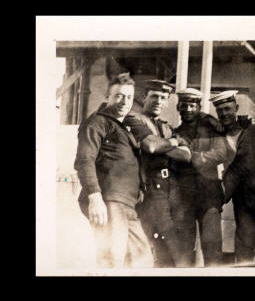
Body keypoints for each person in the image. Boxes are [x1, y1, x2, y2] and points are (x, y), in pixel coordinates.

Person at [74, 73, 153, 268]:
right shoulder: (97, 123)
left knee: (141, 260)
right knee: (111, 258)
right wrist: (95, 196)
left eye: (129, 97)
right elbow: (84, 160)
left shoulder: (124, 126)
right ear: (107, 97)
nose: (125, 102)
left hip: (127, 203)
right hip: (109, 200)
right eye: (118, 96)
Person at [123, 79, 192, 267]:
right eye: (154, 96)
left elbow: (186, 155)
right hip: (151, 187)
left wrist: (165, 145)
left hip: (171, 187)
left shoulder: (166, 127)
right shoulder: (134, 119)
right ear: (144, 97)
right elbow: (151, 146)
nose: (158, 101)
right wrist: (172, 143)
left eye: (163, 98)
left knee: (171, 241)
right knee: (167, 239)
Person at [210, 90, 255, 266]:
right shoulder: (218, 134)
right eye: (220, 110)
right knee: (245, 242)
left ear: (236, 108)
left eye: (228, 109)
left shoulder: (254, 130)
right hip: (240, 198)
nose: (224, 114)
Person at [168, 88, 226, 267]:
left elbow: (220, 154)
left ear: (199, 106)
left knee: (212, 245)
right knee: (183, 246)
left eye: (192, 105)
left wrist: (191, 156)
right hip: (183, 197)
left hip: (209, 196)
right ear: (178, 107)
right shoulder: (175, 133)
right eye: (184, 105)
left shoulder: (212, 128)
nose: (188, 109)